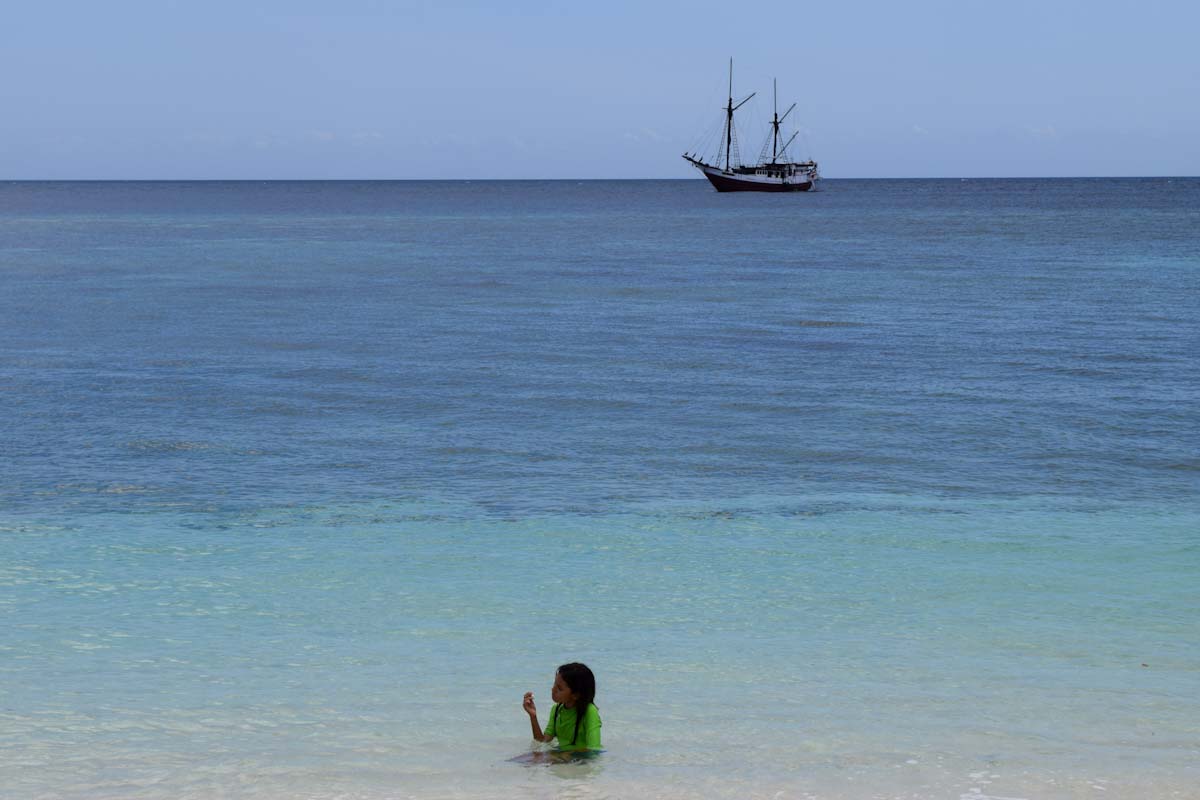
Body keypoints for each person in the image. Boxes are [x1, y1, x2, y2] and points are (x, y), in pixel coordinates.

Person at [522, 662, 602, 751]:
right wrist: (533, 716)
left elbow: (594, 749)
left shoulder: (589, 711)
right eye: (554, 684)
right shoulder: (556, 709)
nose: (553, 689)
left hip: (581, 760)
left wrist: (565, 755)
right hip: (563, 757)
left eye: (559, 688)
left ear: (575, 695)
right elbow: (543, 741)